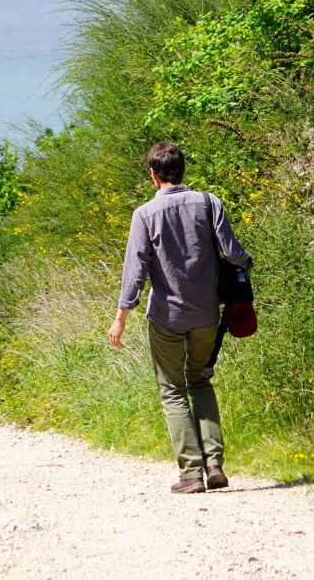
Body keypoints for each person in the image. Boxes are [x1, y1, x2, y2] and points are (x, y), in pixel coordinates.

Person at [108, 143, 252, 494]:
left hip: (166, 317)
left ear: (154, 175)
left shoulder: (144, 214)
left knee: (173, 392)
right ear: (182, 171)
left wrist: (121, 318)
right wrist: (247, 264)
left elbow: (135, 272)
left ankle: (191, 474)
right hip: (206, 315)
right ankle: (215, 463)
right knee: (200, 383)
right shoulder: (208, 202)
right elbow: (233, 253)